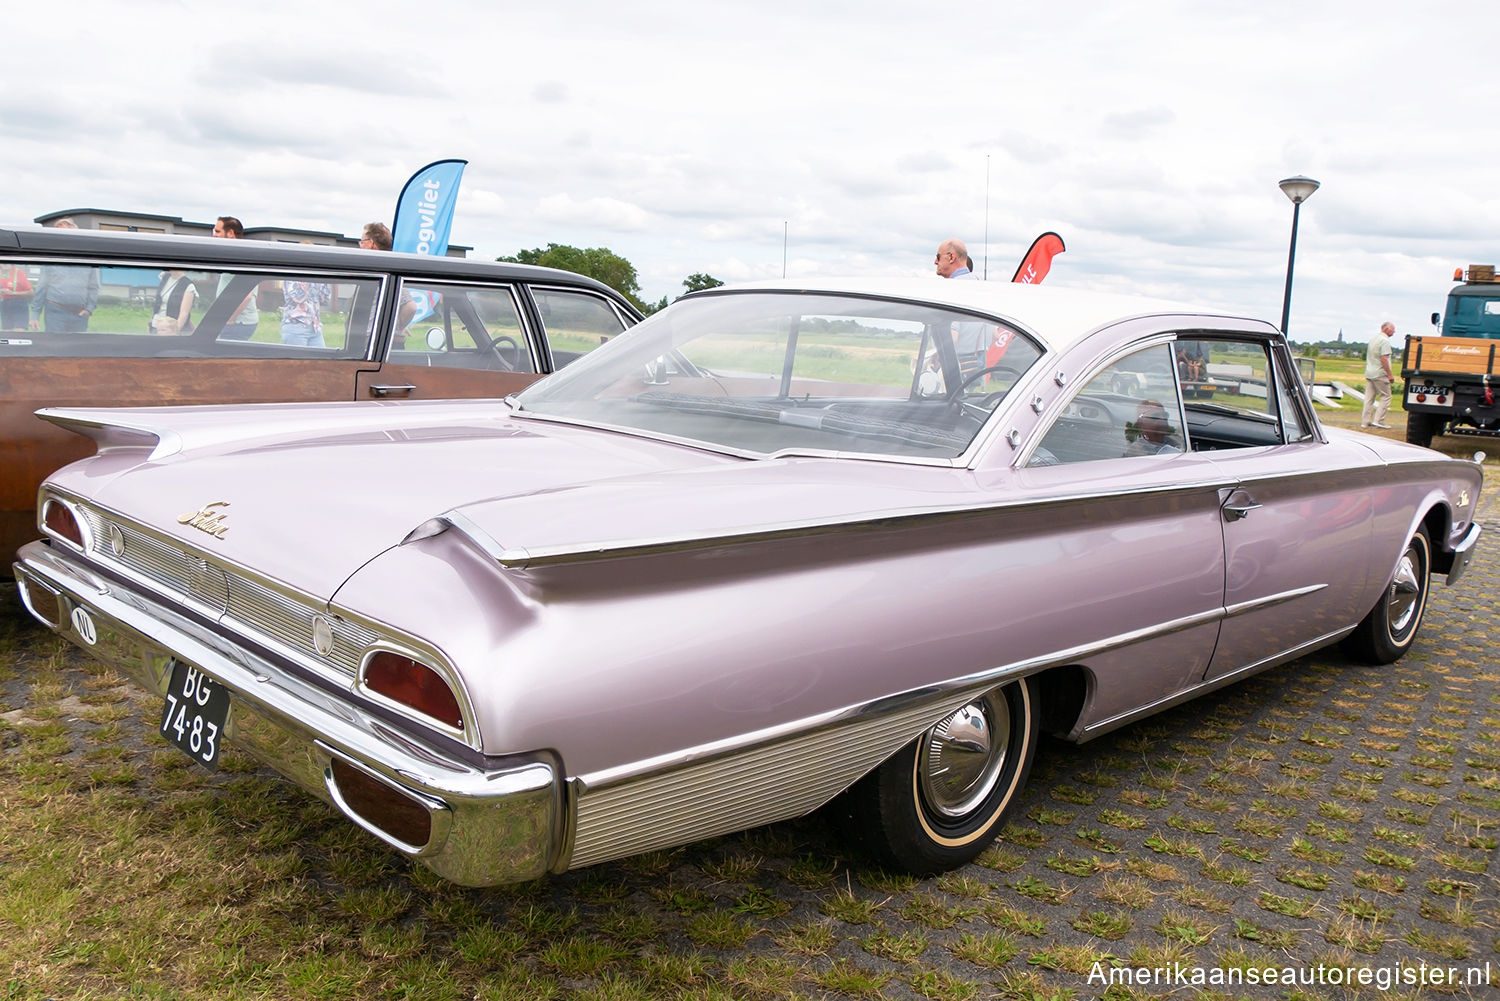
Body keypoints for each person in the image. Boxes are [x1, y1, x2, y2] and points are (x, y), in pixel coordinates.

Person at [29, 219, 100, 332]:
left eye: (69, 230)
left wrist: (89, 308)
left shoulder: (87, 258)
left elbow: (94, 287)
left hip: (80, 314)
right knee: (55, 346)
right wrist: (35, 314)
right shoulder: (51, 258)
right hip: (55, 312)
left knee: (77, 348)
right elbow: (42, 287)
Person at [359, 221, 416, 346]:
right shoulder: (387, 266)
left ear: (371, 243)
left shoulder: (381, 268)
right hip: (378, 340)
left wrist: (397, 327)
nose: (360, 245)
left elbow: (411, 307)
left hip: (374, 342)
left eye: (362, 241)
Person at [211, 215, 260, 340]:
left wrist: (229, 319)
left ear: (230, 233)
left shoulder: (240, 258)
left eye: (217, 231)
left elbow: (246, 296)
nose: (213, 235)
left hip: (239, 323)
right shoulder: (232, 255)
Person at [280, 279, 332, 347]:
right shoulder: (291, 275)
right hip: (295, 327)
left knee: (321, 357)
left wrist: (325, 281)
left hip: (315, 328)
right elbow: (298, 297)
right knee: (300, 357)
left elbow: (325, 300)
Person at [1361, 321, 1395, 429]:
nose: (1394, 332)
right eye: (1393, 329)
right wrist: (1389, 375)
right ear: (1386, 329)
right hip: (1380, 373)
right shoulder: (1385, 341)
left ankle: (1365, 422)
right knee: (1386, 396)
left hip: (1370, 372)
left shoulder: (1373, 339)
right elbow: (1384, 358)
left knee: (1369, 398)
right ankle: (1379, 420)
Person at [150, 269, 197, 335]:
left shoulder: (188, 285)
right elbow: (159, 304)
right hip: (156, 327)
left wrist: (175, 331)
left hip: (170, 330)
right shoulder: (164, 278)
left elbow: (184, 313)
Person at [0, 261, 32, 330]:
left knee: (19, 332)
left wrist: (13, 293)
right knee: (7, 334)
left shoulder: (19, 273)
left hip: (19, 304)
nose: (4, 265)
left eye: (6, 263)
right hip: (4, 304)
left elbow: (31, 292)